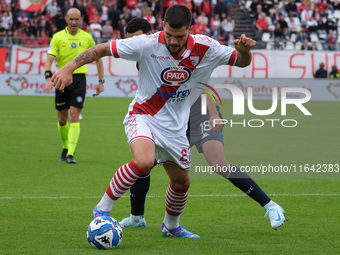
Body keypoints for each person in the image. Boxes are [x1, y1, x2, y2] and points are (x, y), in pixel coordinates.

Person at [51, 5, 256, 238]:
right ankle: (102, 209)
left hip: (175, 127)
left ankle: (171, 227)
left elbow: (241, 61)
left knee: (181, 182)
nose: (173, 41)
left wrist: (245, 51)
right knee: (143, 162)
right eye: (169, 34)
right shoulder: (147, 43)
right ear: (163, 27)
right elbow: (101, 49)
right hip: (143, 115)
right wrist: (68, 66)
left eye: (179, 36)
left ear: (190, 29)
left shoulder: (206, 46)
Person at [119, 17, 286, 231]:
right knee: (143, 164)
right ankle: (137, 217)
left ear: (149, 35)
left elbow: (198, 82)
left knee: (218, 163)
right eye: (128, 40)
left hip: (201, 113)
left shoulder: (173, 49)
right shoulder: (144, 56)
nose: (131, 45)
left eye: (135, 39)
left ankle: (271, 206)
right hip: (172, 119)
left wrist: (213, 112)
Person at [44, 8, 104, 164]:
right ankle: (65, 148)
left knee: (75, 116)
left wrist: (100, 81)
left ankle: (71, 153)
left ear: (81, 19)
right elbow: (49, 60)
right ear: (66, 19)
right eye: (71, 19)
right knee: (62, 120)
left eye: (77, 19)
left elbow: (98, 58)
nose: (74, 22)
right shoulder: (57, 37)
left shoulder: (87, 37)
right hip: (61, 79)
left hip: (79, 79)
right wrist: (48, 78)